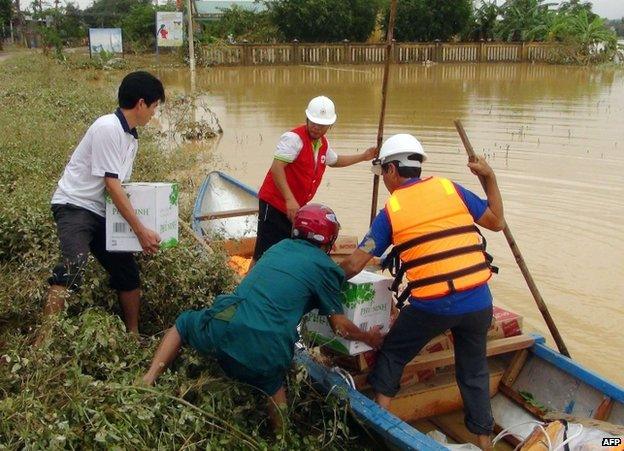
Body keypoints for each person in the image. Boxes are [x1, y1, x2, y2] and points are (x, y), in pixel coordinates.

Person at [142, 204, 384, 431]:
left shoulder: (278, 247)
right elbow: (339, 326)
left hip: (226, 318)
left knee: (183, 324)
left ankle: (148, 379)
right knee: (273, 385)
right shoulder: (326, 268)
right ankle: (282, 437)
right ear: (328, 241)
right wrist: (367, 337)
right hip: (265, 342)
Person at [339, 134, 505, 450]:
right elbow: (496, 221)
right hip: (479, 302)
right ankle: (485, 443)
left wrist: (324, 280)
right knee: (474, 371)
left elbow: (356, 262)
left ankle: (379, 424)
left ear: (391, 170)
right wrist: (489, 178)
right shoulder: (449, 188)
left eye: (384, 174)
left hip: (434, 307)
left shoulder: (392, 210)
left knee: (393, 352)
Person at [42, 71, 165, 335]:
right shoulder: (108, 127)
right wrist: (140, 231)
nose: (154, 113)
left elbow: (119, 188)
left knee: (127, 272)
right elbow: (112, 184)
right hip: (75, 205)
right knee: (73, 265)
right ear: (141, 103)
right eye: (154, 106)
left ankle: (132, 335)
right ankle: (45, 340)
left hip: (101, 210)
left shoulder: (130, 137)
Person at [253, 95, 377, 263]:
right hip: (275, 204)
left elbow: (335, 160)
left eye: (322, 125)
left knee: (287, 251)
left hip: (295, 209)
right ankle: (247, 286)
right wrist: (289, 199)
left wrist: (364, 156)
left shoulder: (322, 144)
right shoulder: (293, 139)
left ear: (330, 126)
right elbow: (277, 168)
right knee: (263, 253)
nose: (316, 128)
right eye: (313, 122)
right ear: (307, 119)